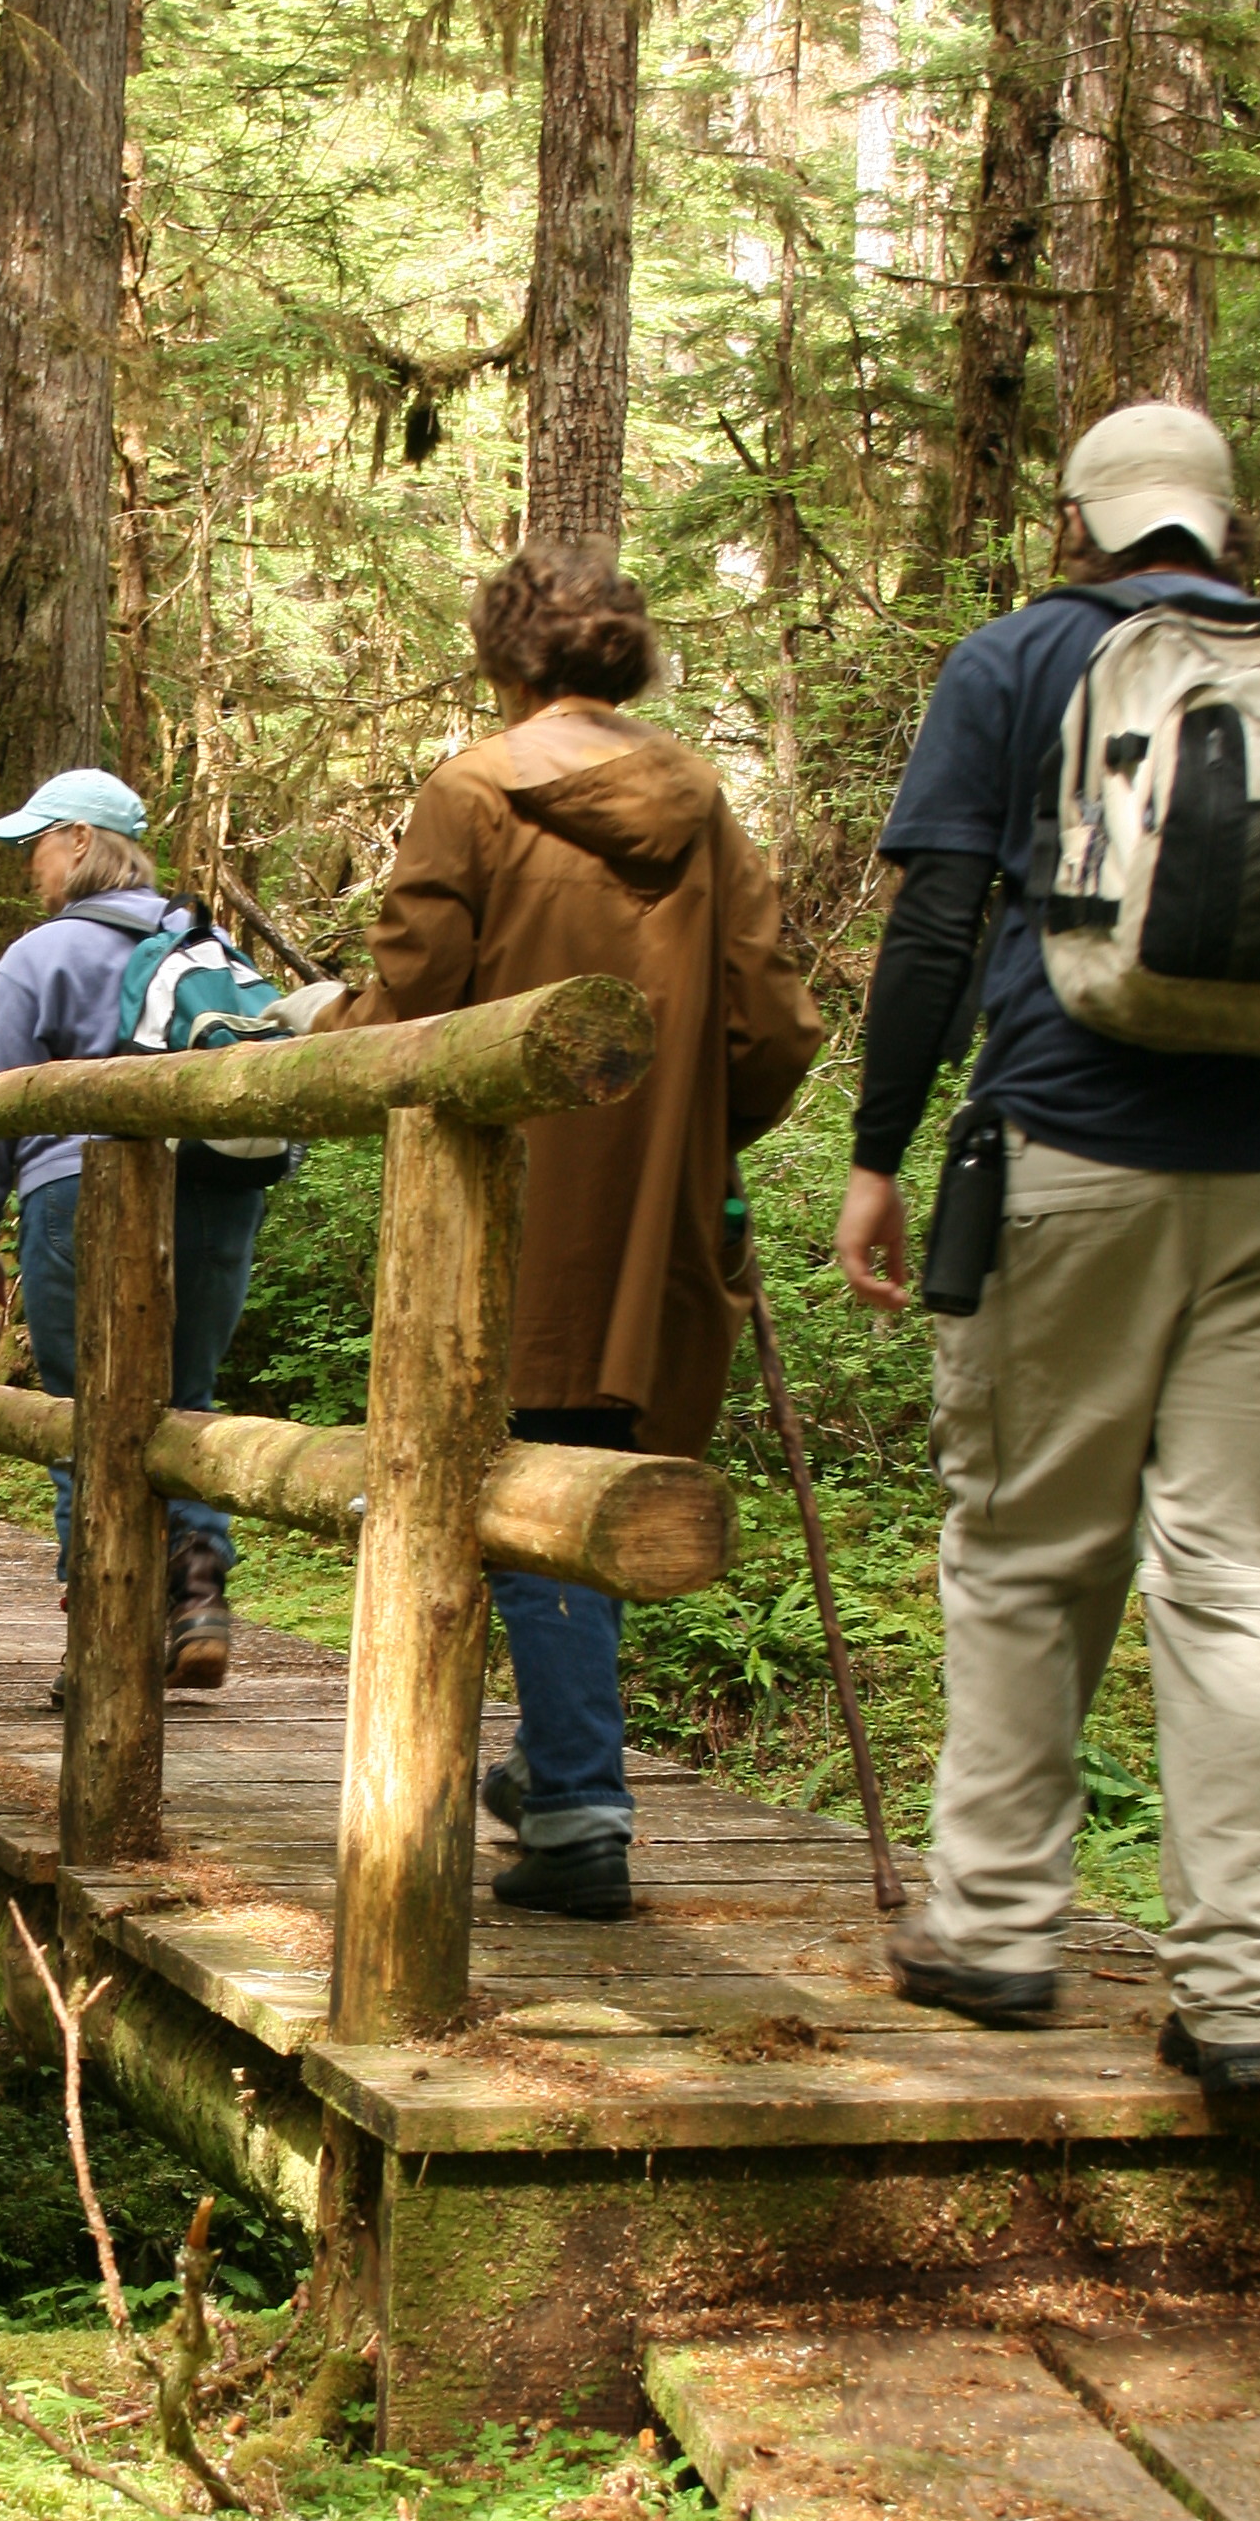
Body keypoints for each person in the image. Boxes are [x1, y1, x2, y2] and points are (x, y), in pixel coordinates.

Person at [835, 401, 1260, 2104]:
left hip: (1062, 1154)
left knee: (1022, 1544)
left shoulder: (1011, 664)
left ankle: (994, 1930)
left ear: (1075, 523)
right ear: (1229, 533)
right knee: (1257, 1589)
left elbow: (935, 923)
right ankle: (1237, 1999)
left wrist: (873, 1152)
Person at [300, 539, 821, 1917]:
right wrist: (692, 1145)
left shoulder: (469, 792)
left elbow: (411, 994)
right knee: (583, 1451)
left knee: (517, 1454)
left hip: (502, 1195)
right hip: (651, 1202)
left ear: (502, 650)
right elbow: (769, 1022)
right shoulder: (701, 805)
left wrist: (308, 1043)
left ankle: (580, 1800)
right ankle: (557, 1772)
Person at [0, 768, 273, 1690]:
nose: (29, 864)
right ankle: (198, 1591)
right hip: (219, 1188)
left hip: (79, 1196)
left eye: (38, 842)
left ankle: (103, 1638)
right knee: (186, 1392)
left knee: (87, 1415)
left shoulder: (40, 957)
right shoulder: (206, 945)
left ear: (83, 843)